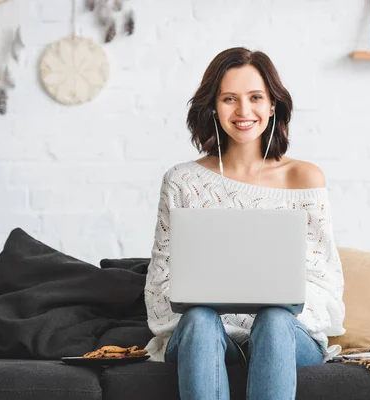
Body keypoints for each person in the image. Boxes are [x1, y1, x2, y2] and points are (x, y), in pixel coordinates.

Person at [144, 47, 345, 400]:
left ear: (272, 105)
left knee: (274, 319)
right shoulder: (181, 181)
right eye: (229, 99)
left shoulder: (304, 177)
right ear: (212, 107)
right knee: (200, 318)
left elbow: (326, 284)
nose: (243, 111)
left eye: (255, 97)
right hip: (201, 334)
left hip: (285, 335)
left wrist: (272, 306)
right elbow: (160, 284)